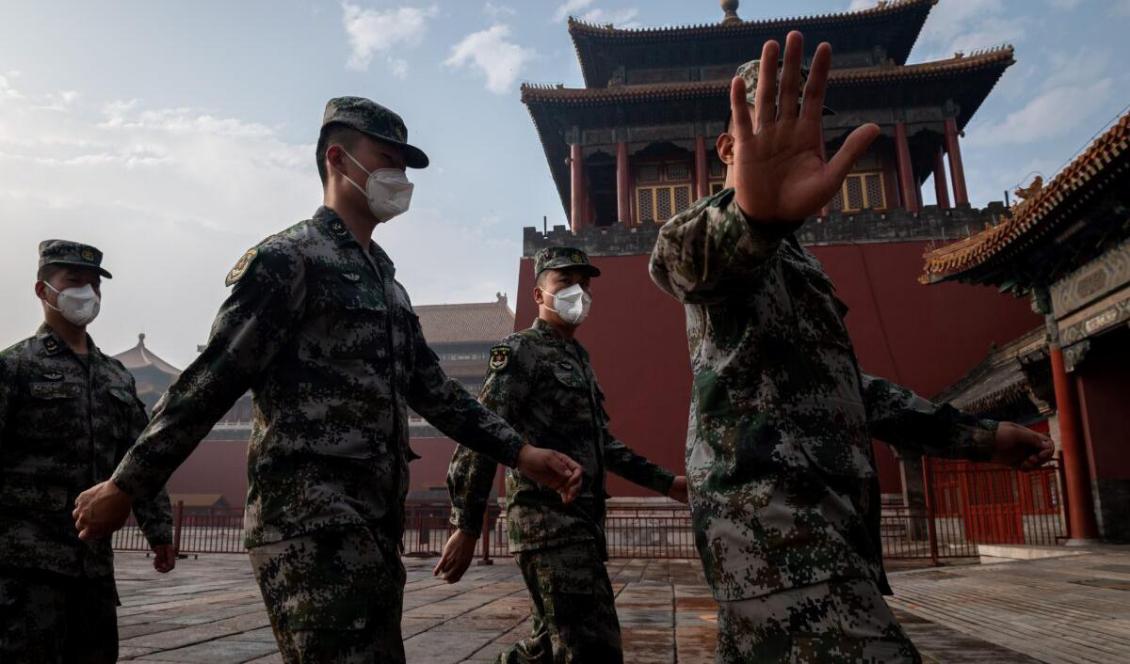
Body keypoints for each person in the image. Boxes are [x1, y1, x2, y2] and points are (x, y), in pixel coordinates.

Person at [70, 97, 582, 664]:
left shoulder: (387, 283)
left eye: (404, 168)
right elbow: (212, 378)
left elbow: (436, 393)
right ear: (338, 159)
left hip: (371, 525)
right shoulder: (288, 260)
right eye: (386, 160)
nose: (399, 179)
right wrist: (126, 484)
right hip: (308, 520)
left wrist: (522, 452)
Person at [648, 33, 1055, 664]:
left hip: (821, 534)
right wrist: (755, 215)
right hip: (780, 534)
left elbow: (850, 392)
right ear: (729, 147)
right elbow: (680, 262)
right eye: (765, 123)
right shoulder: (719, 238)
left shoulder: (798, 264)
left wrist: (983, 438)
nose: (795, 141)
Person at [436, 246, 689, 664]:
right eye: (565, 283)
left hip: (583, 524)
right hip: (547, 524)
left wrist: (667, 483)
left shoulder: (579, 360)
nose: (579, 294)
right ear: (539, 295)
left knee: (546, 648)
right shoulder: (519, 352)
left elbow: (602, 444)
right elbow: (482, 432)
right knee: (595, 647)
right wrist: (466, 524)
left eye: (585, 285)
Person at [0, 240, 175, 663]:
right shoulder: (14, 368)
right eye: (74, 281)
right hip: (25, 569)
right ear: (43, 291)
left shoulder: (115, 375)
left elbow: (139, 455)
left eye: (94, 285)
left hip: (93, 567)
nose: (87, 293)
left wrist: (159, 530)